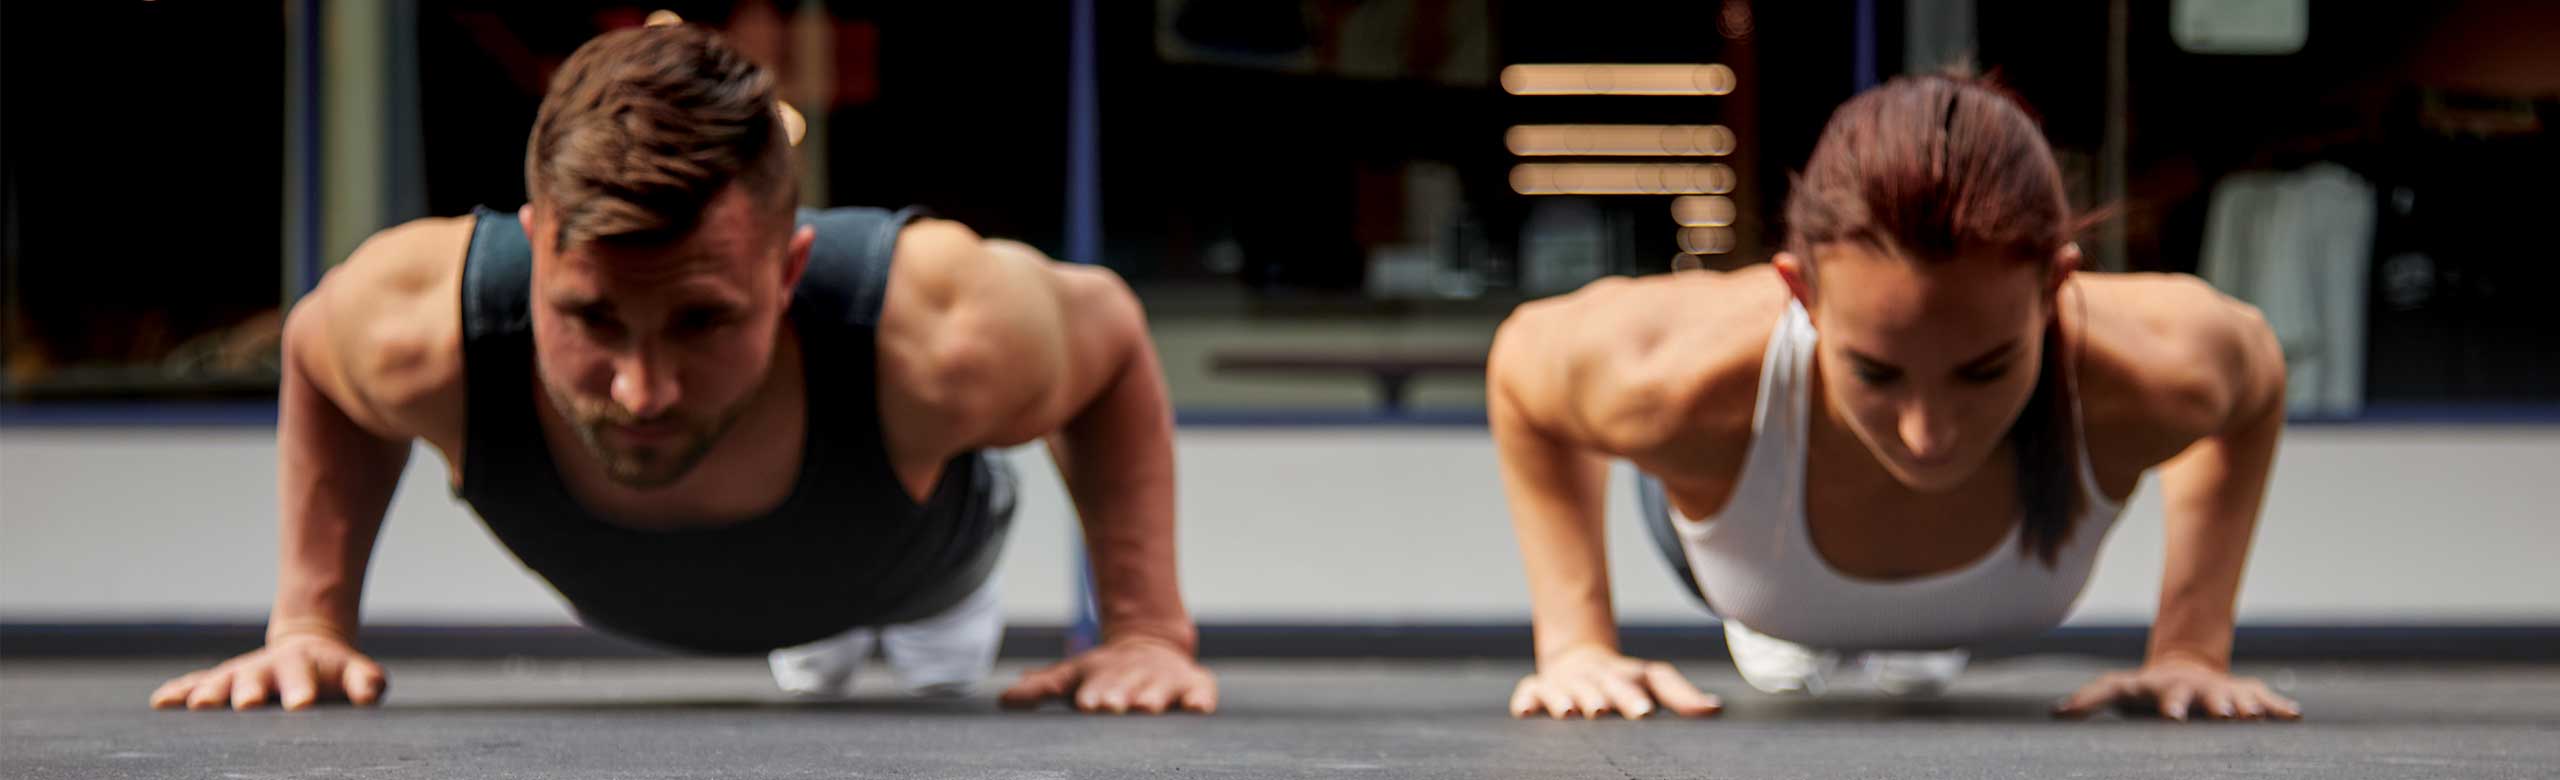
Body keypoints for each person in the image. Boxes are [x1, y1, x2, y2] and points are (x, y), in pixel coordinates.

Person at [149, 22, 1214, 715]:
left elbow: (1110, 335)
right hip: (690, 592)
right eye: (591, 320)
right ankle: (821, 642)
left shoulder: (942, 329)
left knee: (932, 665)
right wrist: (309, 623)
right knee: (813, 664)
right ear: (535, 246)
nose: (640, 390)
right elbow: (313, 355)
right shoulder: (413, 322)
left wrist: (1144, 631)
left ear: (790, 269)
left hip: (910, 558)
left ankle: (913, 627)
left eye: (701, 322)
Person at [1489, 71, 2301, 722]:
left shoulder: (2157, 368)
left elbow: (2256, 376)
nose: (1928, 435)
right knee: (1780, 636)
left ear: (2056, 286)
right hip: (1738, 543)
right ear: (1799, 293)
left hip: (1955, 589)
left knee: (1909, 640)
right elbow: (1523, 363)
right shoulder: (1675, 379)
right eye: (1876, 371)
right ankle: (1794, 627)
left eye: (1983, 370)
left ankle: (1897, 634)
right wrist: (1575, 644)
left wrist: (2191, 646)